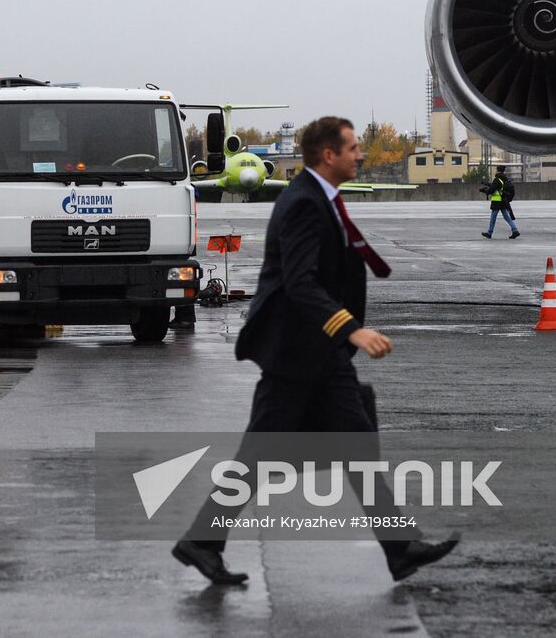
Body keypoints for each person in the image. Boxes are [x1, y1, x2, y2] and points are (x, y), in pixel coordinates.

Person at [172, 116, 458, 586]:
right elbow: (300, 283)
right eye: (352, 148)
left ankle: (400, 548)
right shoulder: (304, 203)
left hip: (319, 355)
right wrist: (352, 331)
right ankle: (201, 541)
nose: (359, 155)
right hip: (297, 353)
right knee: (261, 456)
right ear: (329, 154)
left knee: (356, 443)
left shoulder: (320, 198)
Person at [480, 165, 520, 239]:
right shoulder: (504, 179)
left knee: (493, 217)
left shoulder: (497, 179)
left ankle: (489, 232)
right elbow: (496, 186)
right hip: (503, 200)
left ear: (497, 170)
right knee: (506, 216)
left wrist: (484, 190)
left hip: (497, 201)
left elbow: (492, 190)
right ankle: (515, 230)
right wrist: (486, 184)